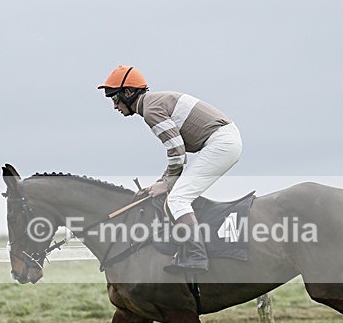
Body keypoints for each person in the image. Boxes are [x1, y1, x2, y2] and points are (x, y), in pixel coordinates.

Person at [98, 65, 243, 274]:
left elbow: (177, 151)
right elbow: (177, 155)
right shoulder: (152, 103)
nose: (114, 106)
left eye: (115, 99)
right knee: (174, 193)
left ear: (128, 93)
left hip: (221, 143)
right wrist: (163, 181)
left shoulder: (150, 110)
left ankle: (196, 256)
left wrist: (166, 184)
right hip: (223, 141)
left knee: (177, 199)